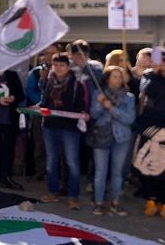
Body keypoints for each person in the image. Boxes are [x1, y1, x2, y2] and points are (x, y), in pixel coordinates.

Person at [39, 53, 88, 209]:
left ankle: (73, 196)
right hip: (49, 127)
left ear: (68, 67)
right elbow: (44, 102)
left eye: (62, 65)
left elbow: (81, 105)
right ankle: (52, 192)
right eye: (56, 65)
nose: (59, 68)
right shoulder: (48, 82)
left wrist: (83, 114)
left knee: (72, 162)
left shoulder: (76, 84)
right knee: (51, 162)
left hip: (69, 129)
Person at [136, 48, 165, 220]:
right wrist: (154, 72)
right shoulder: (149, 75)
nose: (162, 62)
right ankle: (150, 199)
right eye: (160, 59)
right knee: (147, 161)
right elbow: (148, 92)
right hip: (150, 121)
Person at [90, 65, 136, 216]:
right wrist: (99, 103)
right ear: (107, 78)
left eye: (120, 76)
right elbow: (94, 115)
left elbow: (129, 119)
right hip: (102, 135)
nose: (118, 79)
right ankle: (98, 203)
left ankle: (115, 202)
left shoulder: (129, 97)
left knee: (117, 172)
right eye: (114, 76)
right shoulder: (98, 93)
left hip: (121, 138)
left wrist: (111, 108)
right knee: (100, 172)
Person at [25, 43, 60, 180]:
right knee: (40, 144)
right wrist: (41, 103)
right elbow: (30, 90)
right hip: (40, 113)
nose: (49, 56)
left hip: (58, 114)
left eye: (52, 53)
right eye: (46, 53)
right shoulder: (35, 72)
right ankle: (40, 170)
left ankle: (57, 174)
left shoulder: (64, 71)